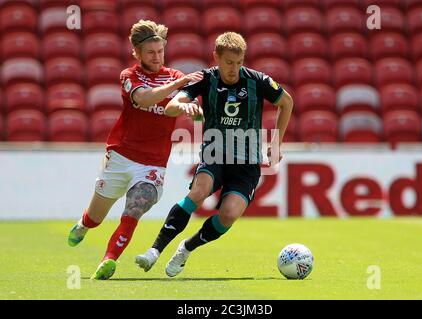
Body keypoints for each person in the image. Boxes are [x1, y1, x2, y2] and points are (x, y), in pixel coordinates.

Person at [135, 32, 293, 277]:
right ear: (216, 57)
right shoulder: (205, 79)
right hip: (214, 154)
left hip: (247, 163)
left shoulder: (257, 81)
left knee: (228, 216)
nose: (234, 69)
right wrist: (183, 106)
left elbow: (287, 102)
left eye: (239, 63)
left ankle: (187, 247)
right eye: (229, 62)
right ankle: (154, 251)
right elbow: (169, 108)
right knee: (197, 193)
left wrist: (277, 143)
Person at [67, 20, 203, 280]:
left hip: (153, 162)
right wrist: (178, 85)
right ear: (137, 53)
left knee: (135, 208)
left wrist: (192, 111)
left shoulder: (174, 76)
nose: (157, 56)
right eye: (151, 52)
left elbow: (182, 107)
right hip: (121, 155)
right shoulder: (129, 77)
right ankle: (84, 225)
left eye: (160, 51)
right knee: (96, 217)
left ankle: (108, 260)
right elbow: (144, 99)